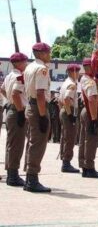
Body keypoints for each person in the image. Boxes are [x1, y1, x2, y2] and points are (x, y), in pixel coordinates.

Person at [23, 42, 52, 192]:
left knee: (33, 142)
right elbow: (40, 93)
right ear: (41, 54)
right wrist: (42, 116)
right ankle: (32, 179)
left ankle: (29, 177)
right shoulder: (41, 69)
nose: (50, 55)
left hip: (31, 105)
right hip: (37, 107)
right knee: (38, 143)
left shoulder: (29, 67)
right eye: (48, 52)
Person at [1, 52, 29, 186]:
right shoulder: (20, 77)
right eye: (24, 61)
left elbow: (2, 89)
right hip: (17, 110)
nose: (26, 64)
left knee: (11, 144)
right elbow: (15, 94)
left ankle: (11, 174)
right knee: (16, 145)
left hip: (11, 109)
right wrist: (20, 111)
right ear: (18, 63)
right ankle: (13, 175)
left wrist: (10, 100)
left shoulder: (9, 76)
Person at [78, 58, 98, 178]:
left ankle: (84, 165)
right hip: (90, 112)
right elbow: (92, 99)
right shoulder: (89, 81)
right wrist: (94, 119)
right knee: (91, 140)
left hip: (86, 110)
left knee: (84, 139)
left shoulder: (86, 79)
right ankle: (89, 167)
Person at [58, 64, 81, 173]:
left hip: (64, 110)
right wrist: (69, 114)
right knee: (70, 137)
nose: (78, 74)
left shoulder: (65, 83)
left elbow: (60, 100)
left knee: (65, 136)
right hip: (69, 110)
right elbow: (67, 99)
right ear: (73, 72)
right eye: (77, 71)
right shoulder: (72, 84)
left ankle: (64, 160)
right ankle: (66, 162)